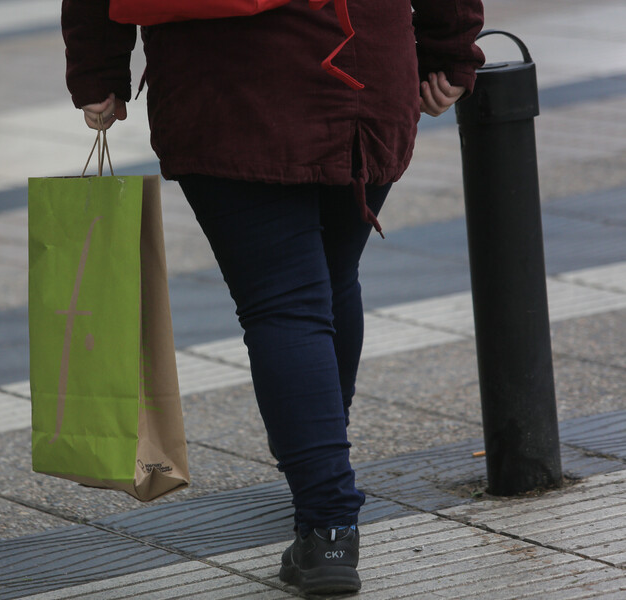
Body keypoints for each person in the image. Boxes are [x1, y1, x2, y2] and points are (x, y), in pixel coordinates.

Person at [61, 0, 484, 594]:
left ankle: (326, 508)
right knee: (329, 281)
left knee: (285, 302)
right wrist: (450, 48)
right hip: (361, 63)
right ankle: (323, 489)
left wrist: (98, 67)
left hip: (224, 83)